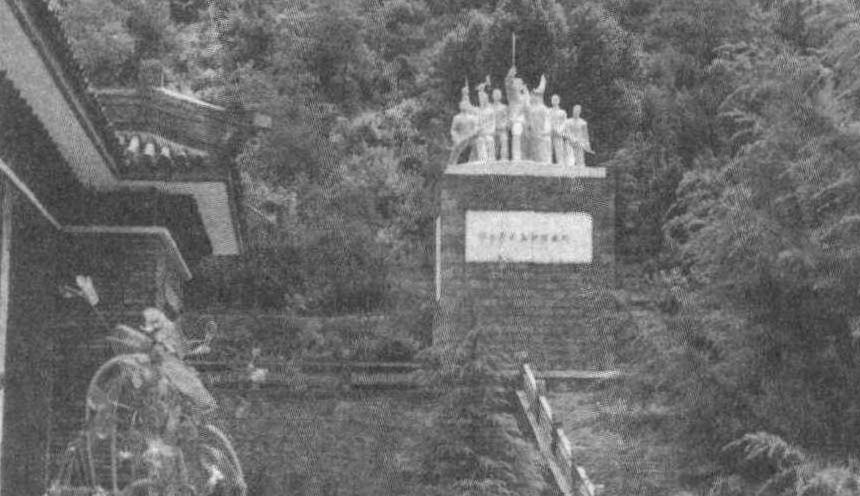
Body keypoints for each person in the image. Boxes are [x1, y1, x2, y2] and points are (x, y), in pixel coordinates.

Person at [504, 66, 529, 160]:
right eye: (515, 83)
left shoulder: (525, 96)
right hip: (516, 119)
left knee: (525, 139)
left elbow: (528, 108)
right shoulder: (513, 95)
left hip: (524, 120)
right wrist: (510, 74)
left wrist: (526, 93)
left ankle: (524, 157)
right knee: (517, 134)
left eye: (519, 83)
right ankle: (516, 157)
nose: (516, 85)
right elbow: (508, 84)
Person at [526, 75, 551, 163]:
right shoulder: (531, 108)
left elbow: (547, 121)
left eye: (537, 96)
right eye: (533, 95)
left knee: (542, 152)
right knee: (534, 151)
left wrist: (545, 131)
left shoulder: (543, 109)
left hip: (542, 133)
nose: (534, 97)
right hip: (534, 133)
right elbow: (529, 121)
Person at [475, 79, 496, 161]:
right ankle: (483, 159)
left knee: (490, 140)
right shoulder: (477, 111)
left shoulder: (490, 110)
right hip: (481, 133)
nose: (481, 100)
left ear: (486, 99)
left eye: (483, 99)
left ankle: (491, 158)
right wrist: (478, 130)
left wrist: (489, 131)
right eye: (480, 99)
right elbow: (476, 124)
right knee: (480, 140)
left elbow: (493, 123)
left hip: (489, 132)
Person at [491, 88, 509, 160]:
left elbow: (507, 119)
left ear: (501, 96)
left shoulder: (504, 107)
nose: (497, 96)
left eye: (498, 94)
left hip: (501, 129)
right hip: (492, 130)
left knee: (504, 139)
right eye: (495, 94)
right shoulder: (490, 107)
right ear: (492, 96)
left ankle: (504, 158)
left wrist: (503, 125)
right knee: (492, 143)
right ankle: (492, 159)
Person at [549, 94, 567, 164]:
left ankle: (560, 164)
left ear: (559, 101)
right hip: (550, 132)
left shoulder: (562, 112)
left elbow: (564, 123)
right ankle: (548, 163)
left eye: (556, 99)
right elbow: (546, 121)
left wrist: (559, 130)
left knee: (559, 150)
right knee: (548, 149)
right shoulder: (548, 111)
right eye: (553, 99)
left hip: (558, 133)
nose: (554, 101)